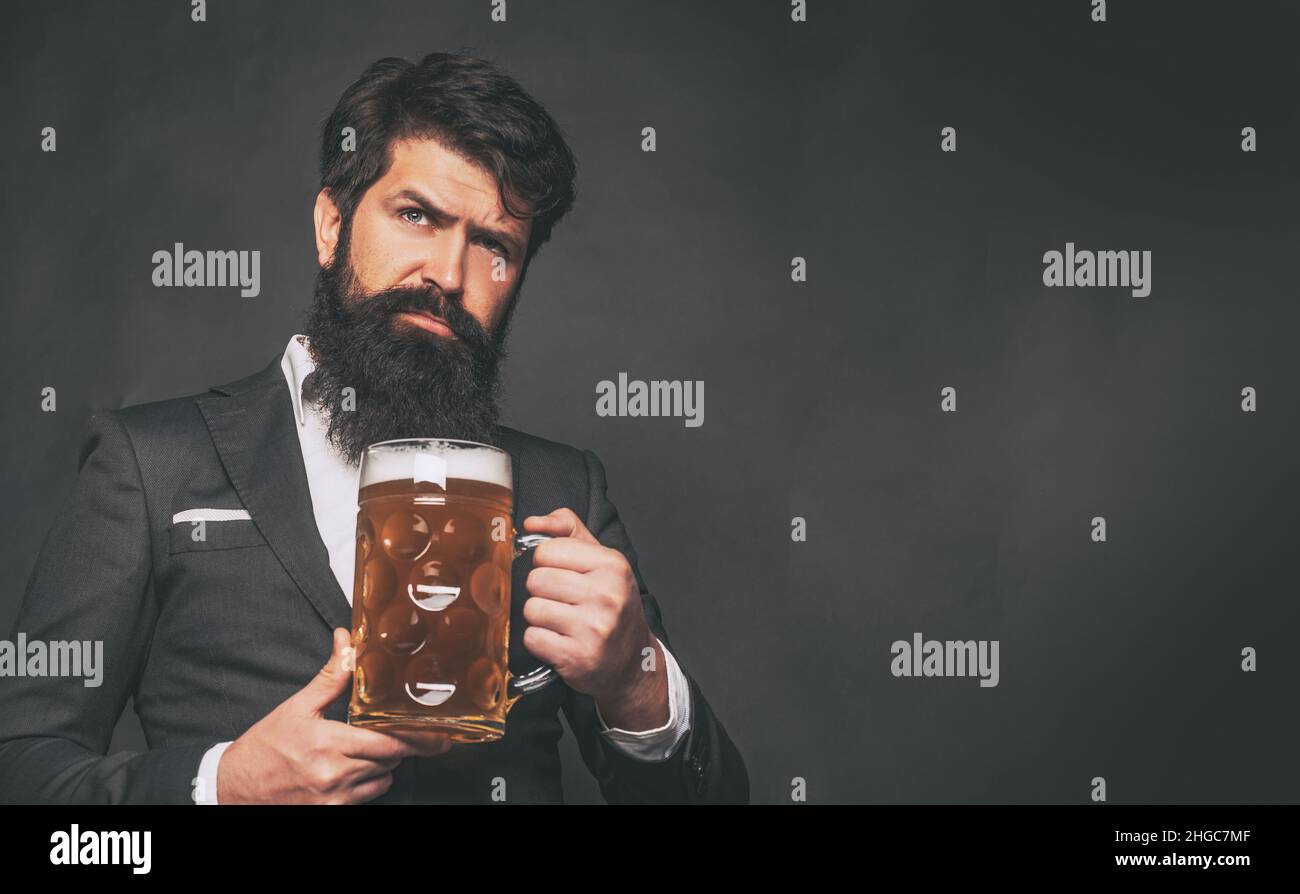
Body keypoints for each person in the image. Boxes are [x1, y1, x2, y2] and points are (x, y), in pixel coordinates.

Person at [0, 51, 747, 804]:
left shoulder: (564, 492)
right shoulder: (150, 465)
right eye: (417, 216)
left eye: (493, 245)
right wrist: (219, 788)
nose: (449, 275)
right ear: (332, 225)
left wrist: (636, 680)